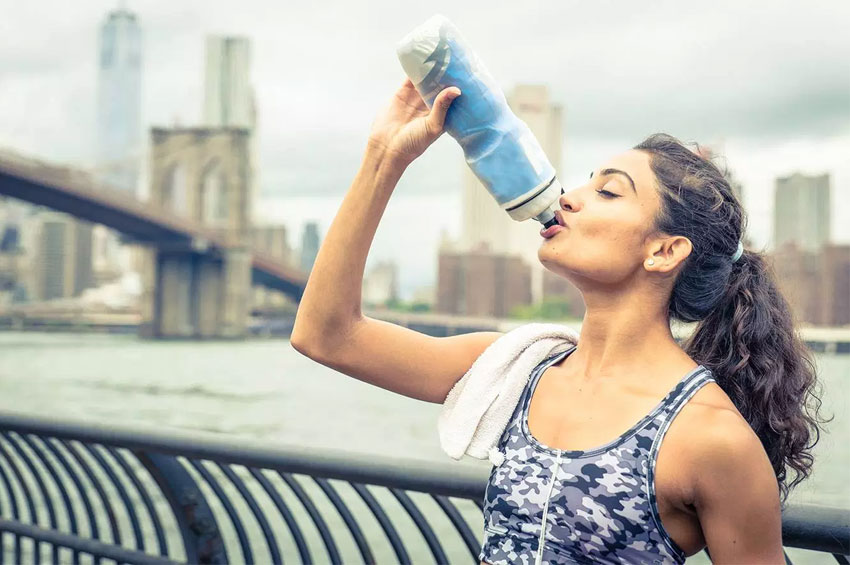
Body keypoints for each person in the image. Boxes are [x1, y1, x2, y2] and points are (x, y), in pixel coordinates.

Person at [291, 78, 826, 564]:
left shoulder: (712, 438)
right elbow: (326, 335)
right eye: (586, 183)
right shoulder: (521, 369)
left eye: (608, 191)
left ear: (664, 251)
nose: (567, 197)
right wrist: (383, 157)